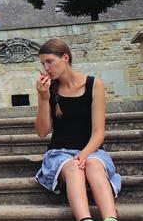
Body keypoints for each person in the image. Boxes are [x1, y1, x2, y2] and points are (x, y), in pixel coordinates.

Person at [35, 38, 121, 221]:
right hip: (59, 153)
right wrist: (43, 98)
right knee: (74, 167)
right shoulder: (49, 89)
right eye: (43, 63)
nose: (46, 67)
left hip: (92, 150)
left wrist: (84, 154)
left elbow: (98, 132)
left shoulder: (94, 85)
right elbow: (42, 132)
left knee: (93, 164)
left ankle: (111, 219)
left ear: (65, 57)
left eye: (50, 61)